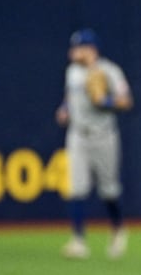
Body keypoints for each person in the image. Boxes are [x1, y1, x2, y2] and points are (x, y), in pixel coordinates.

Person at [55, 28, 133, 259]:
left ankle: (118, 229)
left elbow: (127, 101)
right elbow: (70, 97)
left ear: (91, 49)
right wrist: (65, 109)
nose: (74, 52)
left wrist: (105, 100)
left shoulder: (109, 71)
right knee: (77, 187)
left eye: (79, 47)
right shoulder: (72, 72)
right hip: (78, 134)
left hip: (103, 135)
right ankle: (78, 240)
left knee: (108, 189)